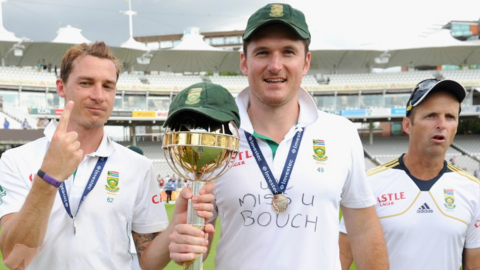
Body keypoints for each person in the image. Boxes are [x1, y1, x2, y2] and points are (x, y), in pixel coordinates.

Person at [168, 4, 388, 269]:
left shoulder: (341, 132)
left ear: (306, 62)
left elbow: (363, 229)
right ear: (244, 62)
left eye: (288, 52)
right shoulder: (218, 138)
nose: (275, 66)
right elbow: (199, 245)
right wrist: (187, 244)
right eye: (262, 53)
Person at [0, 42, 214, 270]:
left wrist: (175, 227)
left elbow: (149, 262)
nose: (98, 95)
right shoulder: (16, 160)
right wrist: (49, 177)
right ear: (61, 87)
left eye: (108, 86)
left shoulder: (138, 166)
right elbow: (14, 258)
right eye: (86, 83)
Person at [339, 79, 480, 270]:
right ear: (407, 125)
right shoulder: (369, 183)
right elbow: (342, 256)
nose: (441, 124)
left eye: (450, 117)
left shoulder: (473, 190)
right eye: (431, 116)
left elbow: (474, 265)